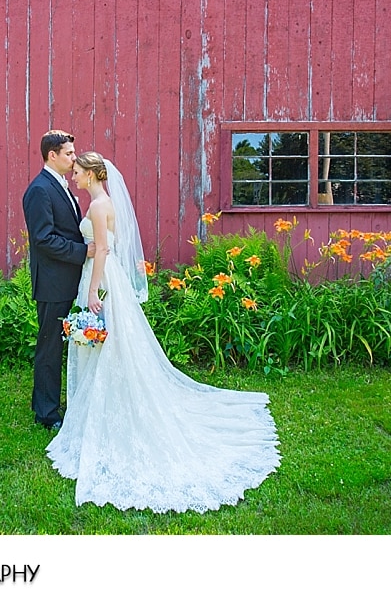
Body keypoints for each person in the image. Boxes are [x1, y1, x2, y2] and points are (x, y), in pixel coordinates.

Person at [46, 152, 280, 513]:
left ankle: (108, 408)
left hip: (101, 279)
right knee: (114, 347)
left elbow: (105, 249)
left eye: (77, 171)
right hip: (112, 280)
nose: (73, 175)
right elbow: (114, 243)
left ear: (92, 174)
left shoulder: (96, 206)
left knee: (105, 343)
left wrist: (93, 290)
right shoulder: (104, 202)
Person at [22, 130, 95, 430]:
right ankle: (47, 413)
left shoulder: (61, 186)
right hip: (53, 282)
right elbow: (43, 239)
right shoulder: (40, 190)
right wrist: (83, 251)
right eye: (68, 153)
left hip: (68, 279)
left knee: (59, 344)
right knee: (50, 347)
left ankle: (46, 400)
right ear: (52, 155)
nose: (73, 157)